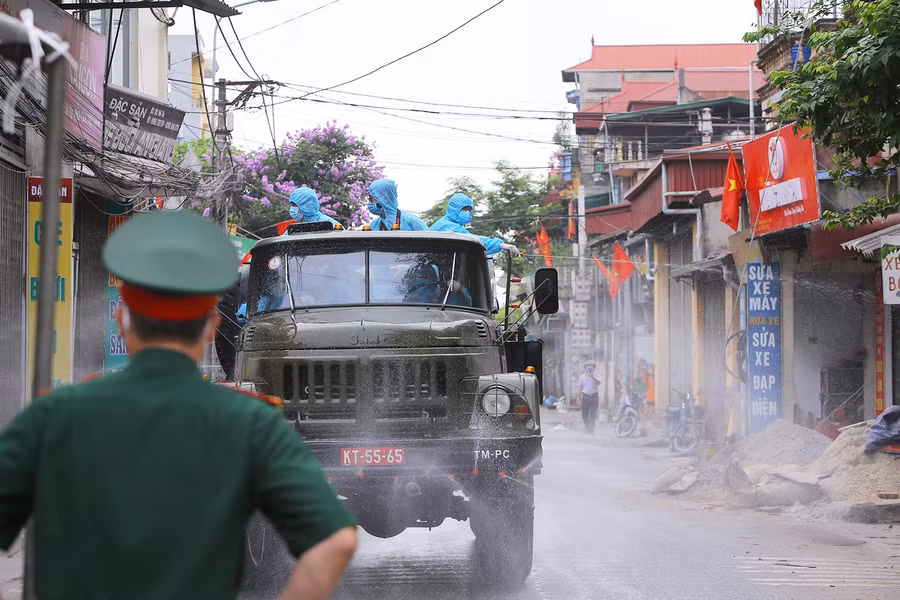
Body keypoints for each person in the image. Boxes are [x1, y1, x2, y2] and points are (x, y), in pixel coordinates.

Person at [0, 211, 357, 600]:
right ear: (209, 326)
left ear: (122, 320)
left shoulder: (52, 416)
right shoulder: (252, 421)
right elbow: (334, 542)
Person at [430, 192, 520, 256]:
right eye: (465, 209)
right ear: (454, 209)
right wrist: (501, 245)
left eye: (470, 210)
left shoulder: (450, 223)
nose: (468, 213)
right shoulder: (448, 226)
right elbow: (474, 241)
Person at [577, 364, 601, 434]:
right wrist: (578, 398)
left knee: (593, 414)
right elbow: (580, 387)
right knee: (585, 414)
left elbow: (599, 383)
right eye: (588, 369)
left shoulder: (596, 376)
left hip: (594, 396)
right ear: (585, 370)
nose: (590, 371)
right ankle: (587, 426)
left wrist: (592, 377)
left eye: (591, 369)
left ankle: (591, 430)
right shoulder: (582, 377)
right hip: (586, 396)